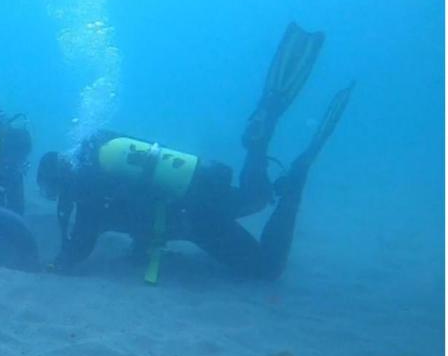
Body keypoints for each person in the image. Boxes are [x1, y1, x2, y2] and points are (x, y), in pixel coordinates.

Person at [37, 22, 354, 283]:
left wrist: (56, 266)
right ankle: (261, 134)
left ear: (59, 179)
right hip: (200, 181)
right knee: (253, 198)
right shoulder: (101, 146)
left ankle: (293, 187)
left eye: (51, 191)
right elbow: (139, 190)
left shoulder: (87, 189)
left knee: (265, 269)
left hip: (197, 215)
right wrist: (140, 247)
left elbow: (81, 242)